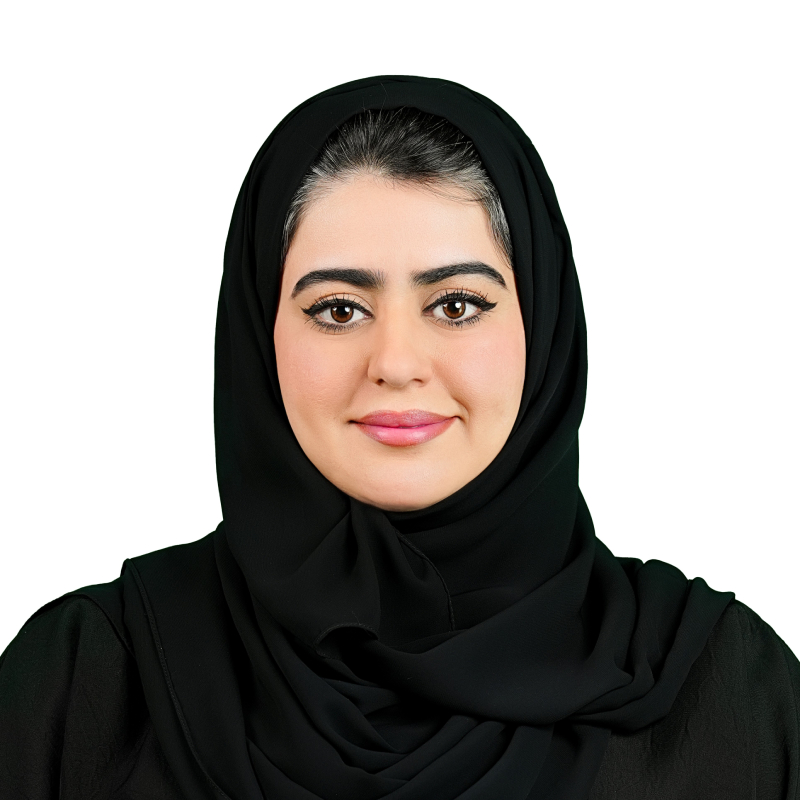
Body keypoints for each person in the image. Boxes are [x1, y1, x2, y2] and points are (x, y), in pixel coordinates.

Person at [1, 75, 797, 800]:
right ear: (258, 335)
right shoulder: (85, 682)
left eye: (456, 305)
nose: (396, 363)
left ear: (543, 329)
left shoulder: (725, 691)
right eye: (338, 309)